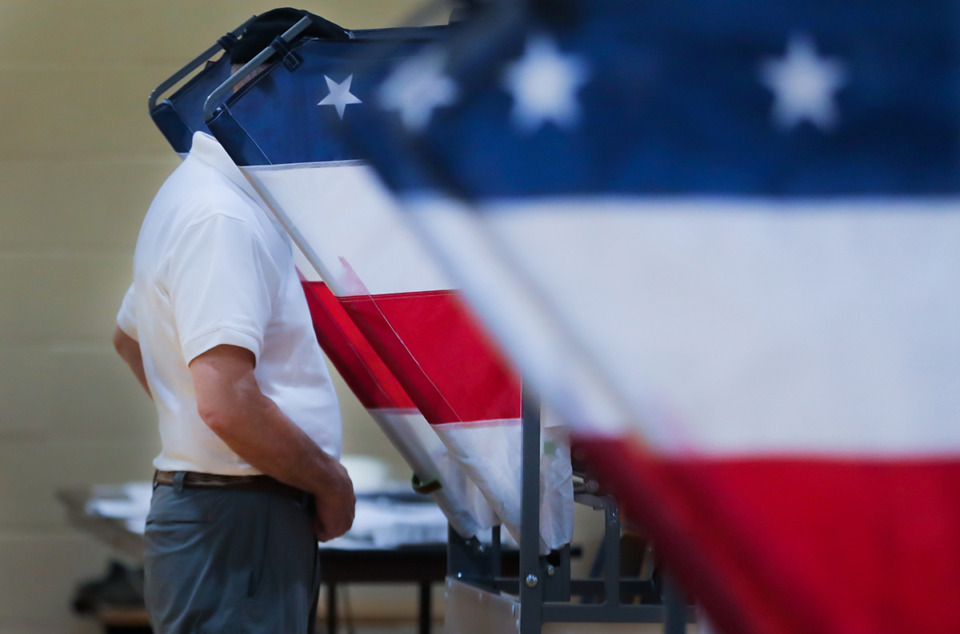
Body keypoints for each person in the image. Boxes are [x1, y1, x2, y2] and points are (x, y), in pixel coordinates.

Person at [113, 9, 354, 633]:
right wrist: (329, 482)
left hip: (227, 511)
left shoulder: (197, 192)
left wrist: (201, 431)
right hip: (241, 518)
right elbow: (227, 402)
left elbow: (128, 336)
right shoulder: (224, 218)